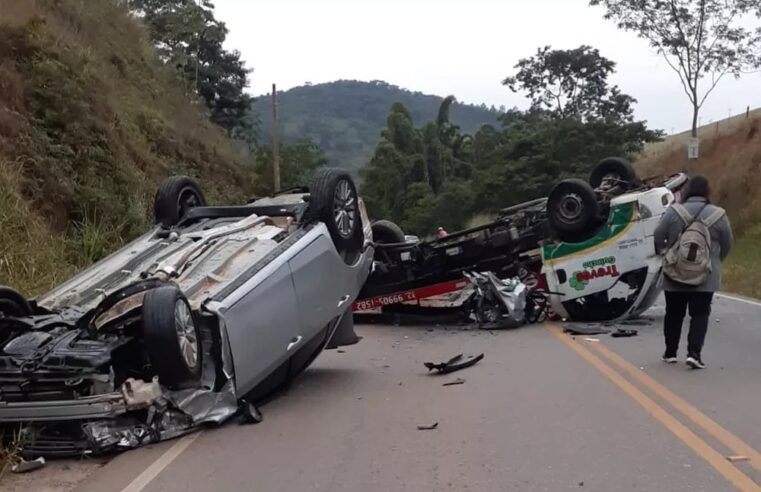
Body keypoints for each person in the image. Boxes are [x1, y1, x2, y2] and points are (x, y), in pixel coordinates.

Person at [654, 175, 733, 369]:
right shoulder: (719, 214)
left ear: (687, 191)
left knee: (674, 313)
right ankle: (694, 354)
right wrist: (714, 261)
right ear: (707, 192)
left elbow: (658, 235)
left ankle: (670, 352)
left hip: (675, 273)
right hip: (705, 276)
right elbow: (727, 243)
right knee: (700, 314)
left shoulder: (674, 212)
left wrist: (663, 253)